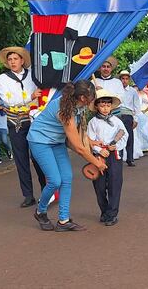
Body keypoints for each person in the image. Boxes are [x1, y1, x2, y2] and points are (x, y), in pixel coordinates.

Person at [28, 80, 107, 232]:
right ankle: (40, 211)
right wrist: (97, 163)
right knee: (55, 181)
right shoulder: (66, 110)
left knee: (66, 178)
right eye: (92, 97)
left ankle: (63, 220)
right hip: (40, 141)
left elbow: (77, 137)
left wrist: (91, 143)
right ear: (83, 97)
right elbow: (78, 147)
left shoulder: (79, 106)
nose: (93, 100)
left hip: (57, 141)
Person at [0, 46, 46, 207]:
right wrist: (29, 97)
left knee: (38, 157)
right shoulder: (3, 79)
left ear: (22, 60)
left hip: (33, 120)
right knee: (21, 159)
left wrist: (33, 98)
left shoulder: (32, 75)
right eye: (10, 59)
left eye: (15, 59)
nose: (12, 62)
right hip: (15, 122)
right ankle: (28, 195)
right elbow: (7, 100)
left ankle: (46, 190)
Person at [87, 89, 128, 226]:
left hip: (114, 156)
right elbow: (89, 140)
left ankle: (112, 214)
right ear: (97, 106)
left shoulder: (117, 121)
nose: (105, 108)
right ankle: (104, 211)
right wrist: (99, 149)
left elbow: (124, 135)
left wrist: (115, 146)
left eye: (108, 105)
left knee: (114, 184)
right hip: (98, 157)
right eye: (102, 105)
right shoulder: (93, 122)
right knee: (99, 185)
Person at [117, 69, 142, 165]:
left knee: (129, 137)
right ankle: (119, 157)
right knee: (118, 136)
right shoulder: (116, 90)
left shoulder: (132, 91)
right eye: (122, 78)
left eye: (126, 79)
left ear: (129, 80)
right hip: (117, 114)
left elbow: (137, 106)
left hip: (128, 115)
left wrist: (135, 119)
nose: (124, 81)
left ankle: (130, 159)